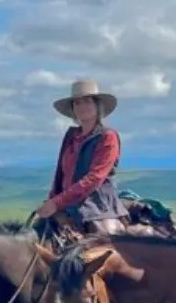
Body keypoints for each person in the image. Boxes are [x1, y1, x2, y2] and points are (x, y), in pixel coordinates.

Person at [37, 79, 127, 238]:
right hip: (67, 204)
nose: (81, 106)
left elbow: (95, 178)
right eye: (77, 103)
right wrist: (51, 200)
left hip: (97, 206)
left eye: (87, 101)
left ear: (97, 106)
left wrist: (57, 202)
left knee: (99, 249)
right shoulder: (72, 136)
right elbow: (61, 174)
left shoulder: (108, 137)